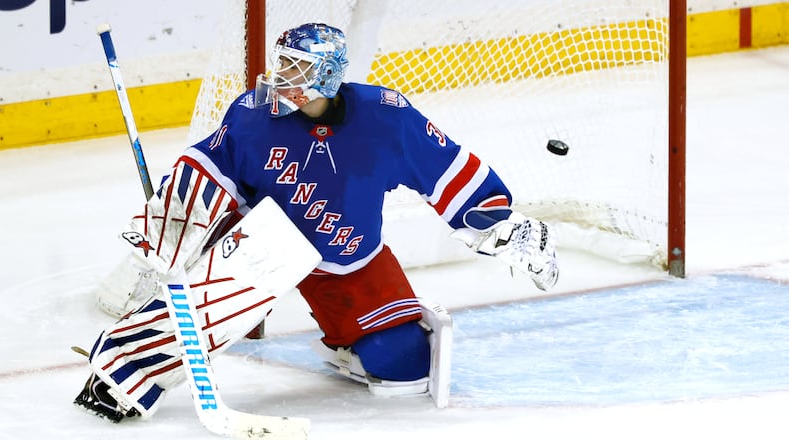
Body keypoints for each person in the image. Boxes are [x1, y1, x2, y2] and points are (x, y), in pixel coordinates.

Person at [73, 22, 559, 422]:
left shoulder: (386, 117)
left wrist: (504, 227)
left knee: (406, 369)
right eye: (281, 62)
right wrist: (177, 218)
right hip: (263, 244)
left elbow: (448, 173)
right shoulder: (253, 114)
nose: (280, 75)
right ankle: (122, 369)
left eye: (295, 67)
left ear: (327, 75)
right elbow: (209, 169)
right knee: (201, 305)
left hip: (347, 258)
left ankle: (349, 345)